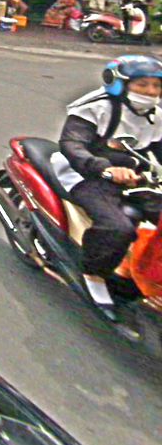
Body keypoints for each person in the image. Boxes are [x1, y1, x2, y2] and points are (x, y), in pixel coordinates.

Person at [52, 55, 162, 319]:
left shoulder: (156, 116)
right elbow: (72, 145)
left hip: (132, 175)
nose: (151, 91)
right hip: (84, 173)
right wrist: (104, 168)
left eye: (157, 86)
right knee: (117, 227)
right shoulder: (95, 108)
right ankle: (94, 274)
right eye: (142, 84)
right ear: (119, 84)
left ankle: (142, 270)